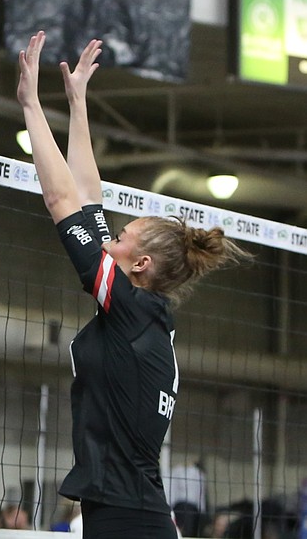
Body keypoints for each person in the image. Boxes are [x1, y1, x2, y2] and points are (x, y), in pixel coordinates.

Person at [16, 32, 247, 539]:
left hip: (125, 520)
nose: (110, 238)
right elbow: (88, 196)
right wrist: (77, 104)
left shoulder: (126, 306)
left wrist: (31, 104)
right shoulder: (142, 309)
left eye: (120, 237)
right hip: (134, 513)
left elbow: (61, 200)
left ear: (139, 262)